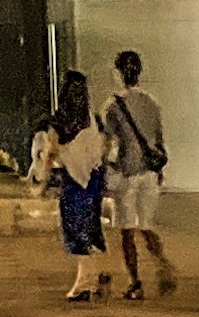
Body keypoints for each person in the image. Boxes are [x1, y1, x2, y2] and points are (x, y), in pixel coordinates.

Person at [26, 68, 113, 304]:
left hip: (74, 181)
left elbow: (51, 152)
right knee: (91, 227)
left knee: (75, 229)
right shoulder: (92, 120)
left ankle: (85, 282)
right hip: (93, 179)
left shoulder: (59, 123)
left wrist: (41, 177)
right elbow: (104, 147)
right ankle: (96, 273)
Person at [99, 50, 176, 299]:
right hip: (149, 173)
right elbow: (159, 139)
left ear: (119, 73)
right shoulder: (152, 103)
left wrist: (101, 171)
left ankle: (135, 282)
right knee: (146, 225)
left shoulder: (113, 105)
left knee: (127, 231)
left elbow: (107, 143)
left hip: (127, 173)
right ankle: (163, 262)